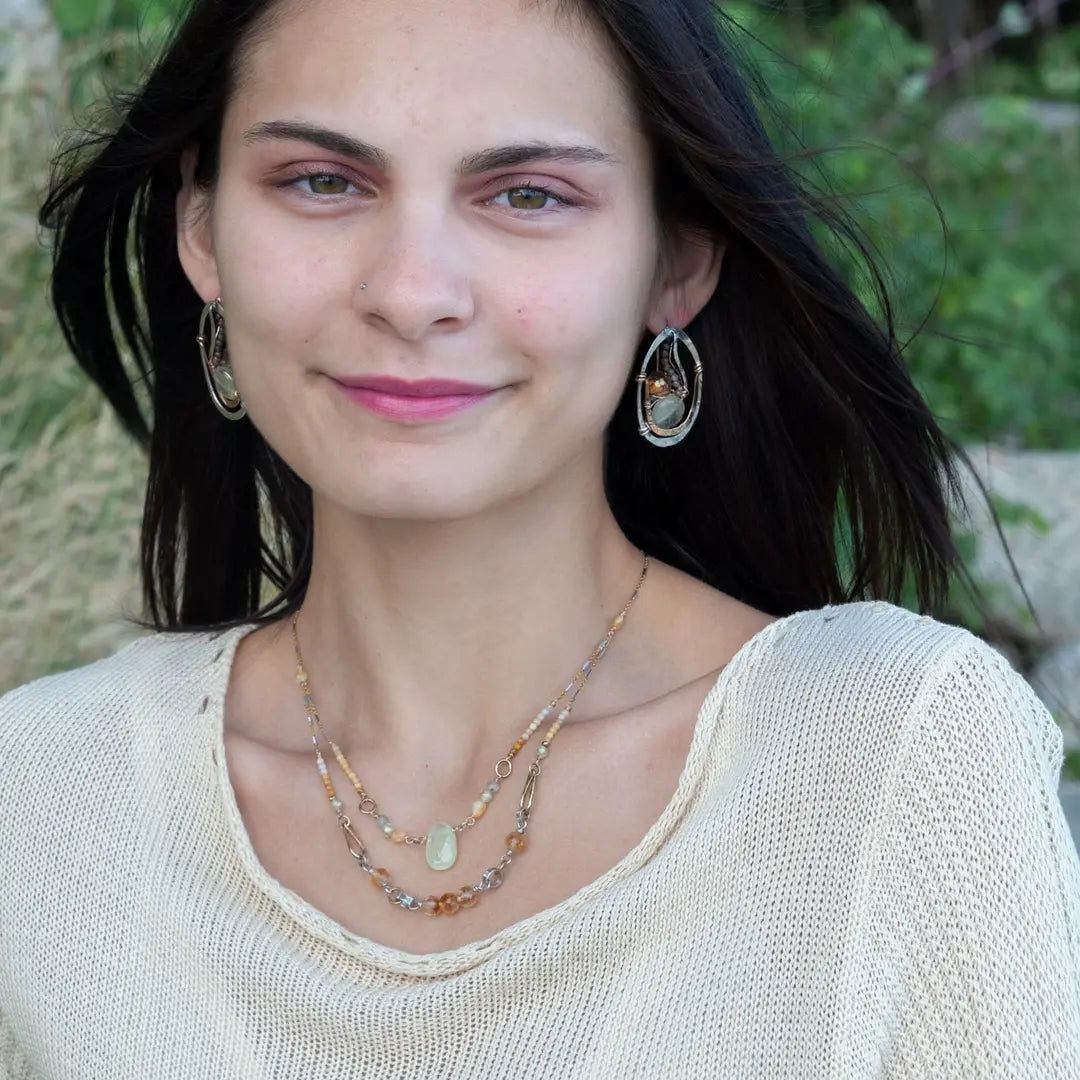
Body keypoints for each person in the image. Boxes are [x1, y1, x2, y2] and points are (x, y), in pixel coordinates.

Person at [1, 0, 1077, 1075]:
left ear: (675, 261)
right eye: (323, 182)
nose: (413, 293)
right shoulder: (45, 798)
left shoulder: (894, 765)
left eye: (528, 194)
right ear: (204, 231)